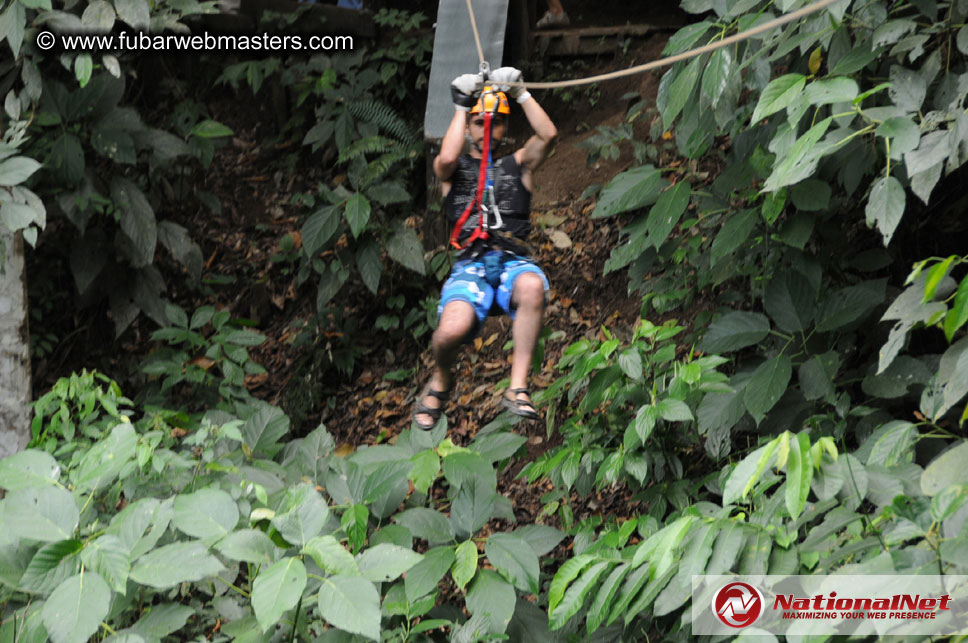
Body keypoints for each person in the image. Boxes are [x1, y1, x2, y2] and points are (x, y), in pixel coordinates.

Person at [412, 67, 558, 431]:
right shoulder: (453, 172)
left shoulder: (518, 164)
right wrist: (461, 107)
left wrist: (521, 93)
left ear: (504, 128)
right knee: (449, 333)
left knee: (531, 287)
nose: (486, 130)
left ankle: (517, 387)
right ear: (468, 127)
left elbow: (548, 134)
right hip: (471, 267)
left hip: (512, 261)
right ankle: (442, 379)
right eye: (479, 123)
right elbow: (444, 160)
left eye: (494, 123)